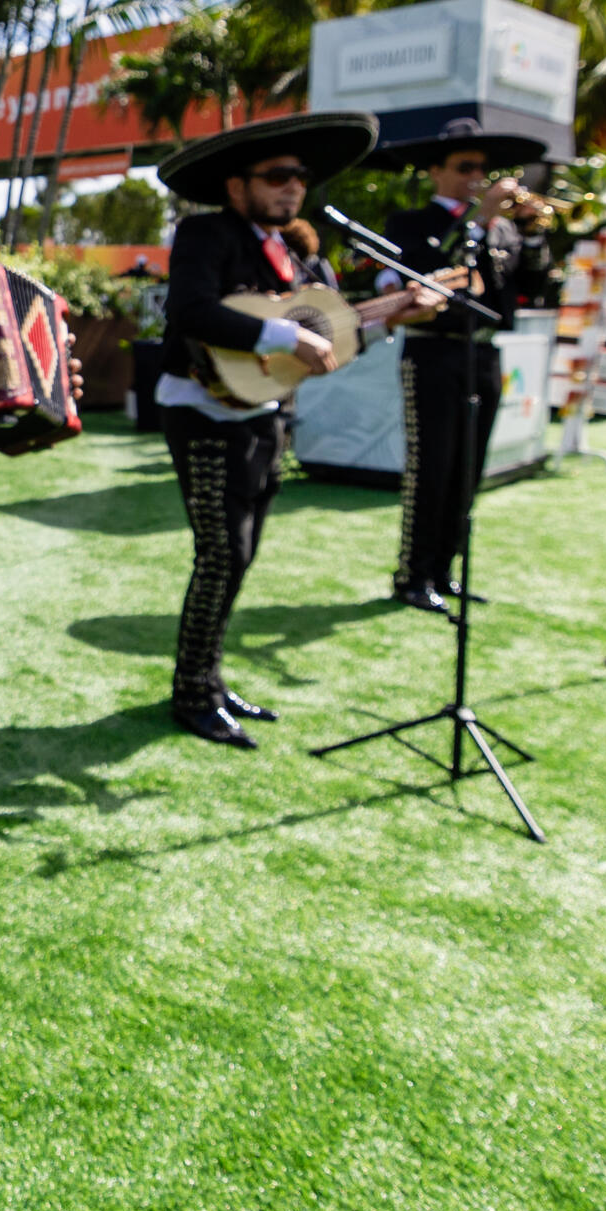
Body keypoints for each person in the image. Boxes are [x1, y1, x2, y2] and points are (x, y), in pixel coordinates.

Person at [152, 113, 393, 748]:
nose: (293, 188)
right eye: (278, 176)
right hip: (203, 412)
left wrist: (397, 312)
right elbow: (191, 311)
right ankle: (190, 694)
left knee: (243, 555)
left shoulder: (290, 251)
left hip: (266, 414)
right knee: (221, 554)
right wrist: (287, 335)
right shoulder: (205, 232)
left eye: (301, 177)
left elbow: (327, 333)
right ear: (237, 186)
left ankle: (209, 678)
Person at [378, 117, 545, 616]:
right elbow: (432, 273)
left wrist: (533, 235)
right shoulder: (412, 223)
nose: (478, 176)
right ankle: (413, 574)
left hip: (484, 353)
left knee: (467, 471)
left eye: (483, 168)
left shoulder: (504, 230)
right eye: (465, 167)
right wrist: (475, 223)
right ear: (436, 172)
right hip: (433, 350)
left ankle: (445, 571)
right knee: (431, 469)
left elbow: (532, 287)